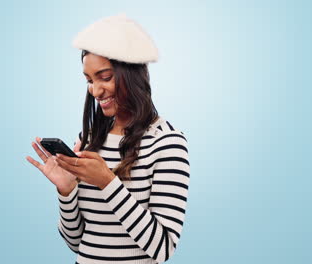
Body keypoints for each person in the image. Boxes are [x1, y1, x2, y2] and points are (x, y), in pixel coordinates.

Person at [26, 13, 190, 263]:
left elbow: (163, 247)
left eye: (105, 77)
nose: (95, 90)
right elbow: (77, 241)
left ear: (134, 74)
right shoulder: (90, 140)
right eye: (89, 80)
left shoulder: (167, 143)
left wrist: (107, 182)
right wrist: (67, 191)